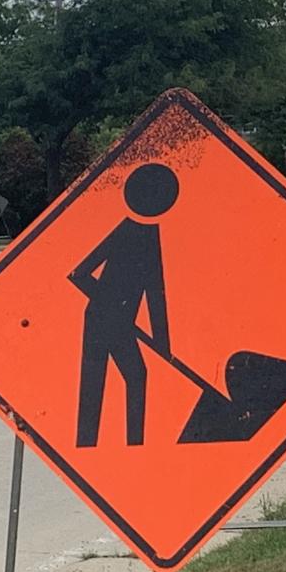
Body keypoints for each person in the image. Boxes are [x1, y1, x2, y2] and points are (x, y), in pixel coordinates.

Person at [69, 162, 177, 448]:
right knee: (96, 381)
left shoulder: (150, 235)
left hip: (118, 320)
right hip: (100, 317)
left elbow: (156, 293)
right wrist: (108, 301)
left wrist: (163, 344)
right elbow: (78, 274)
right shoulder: (126, 230)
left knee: (136, 375)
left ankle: (134, 446)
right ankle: (89, 445)